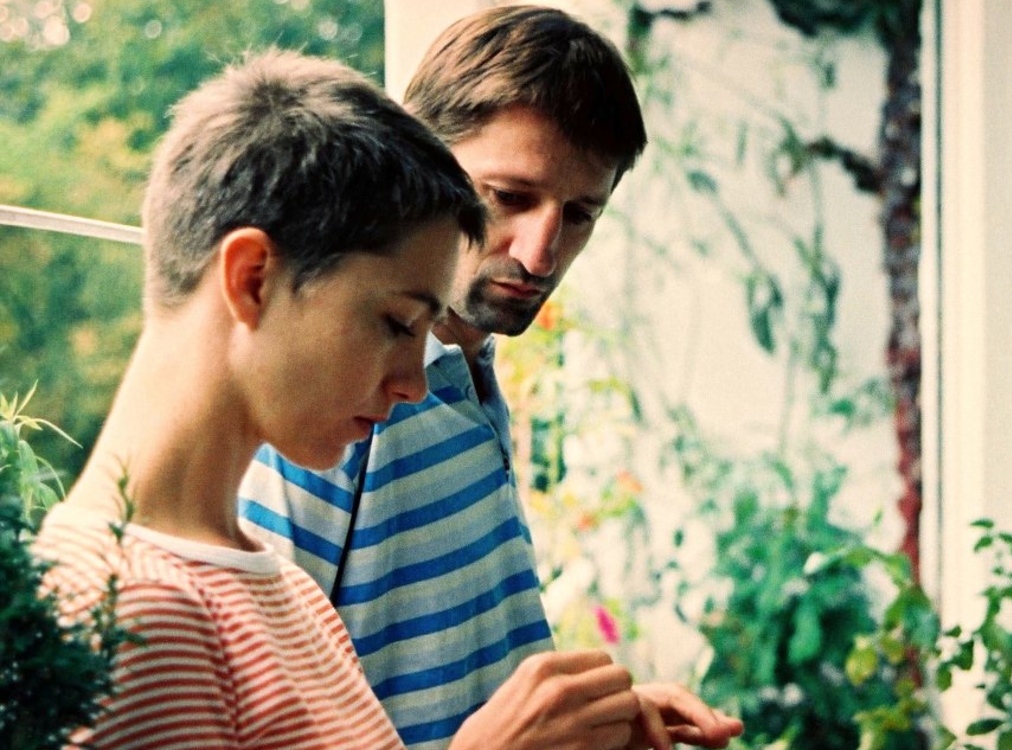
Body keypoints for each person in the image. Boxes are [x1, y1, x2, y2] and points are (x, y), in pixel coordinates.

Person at [239, 6, 744, 750]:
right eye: (509, 198)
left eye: (580, 213)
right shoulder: (330, 397)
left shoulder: (472, 368)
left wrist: (597, 722)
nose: (541, 255)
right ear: (419, 161)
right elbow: (250, 725)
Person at [32, 49, 508, 749]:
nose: (413, 383)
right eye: (397, 324)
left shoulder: (291, 595)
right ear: (252, 277)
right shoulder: (119, 612)